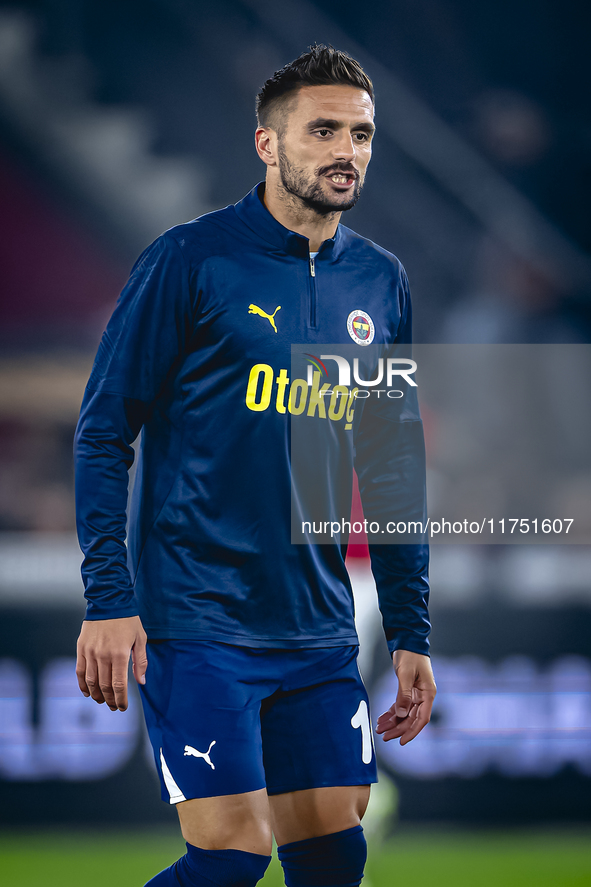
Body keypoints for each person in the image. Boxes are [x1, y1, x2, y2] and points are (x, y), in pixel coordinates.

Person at [75, 44, 436, 887]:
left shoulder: (381, 282)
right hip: (198, 617)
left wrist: (412, 629)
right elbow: (102, 432)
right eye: (322, 130)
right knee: (232, 852)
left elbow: (390, 466)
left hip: (314, 625)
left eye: (361, 133)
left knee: (332, 853)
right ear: (267, 144)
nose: (346, 150)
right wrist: (108, 596)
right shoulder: (190, 259)